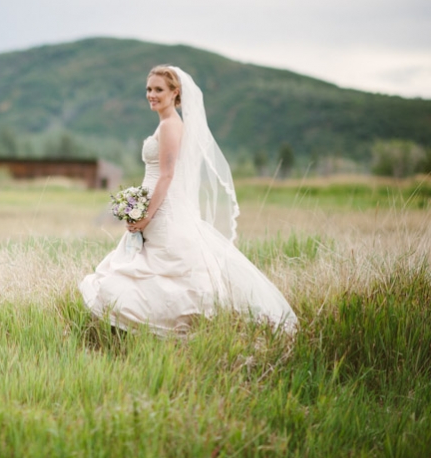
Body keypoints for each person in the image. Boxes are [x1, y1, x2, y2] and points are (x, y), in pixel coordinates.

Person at [79, 65, 298, 336]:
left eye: (159, 89)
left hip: (162, 210)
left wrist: (146, 215)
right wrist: (136, 204)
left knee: (159, 270)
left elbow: (167, 176)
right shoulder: (165, 124)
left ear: (175, 93)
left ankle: (171, 328)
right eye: (149, 89)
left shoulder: (171, 126)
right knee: (146, 268)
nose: (151, 94)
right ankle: (155, 330)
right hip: (155, 205)